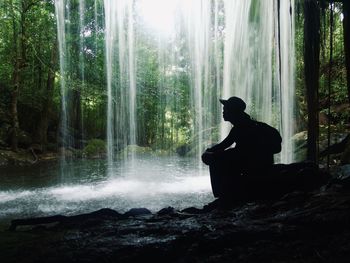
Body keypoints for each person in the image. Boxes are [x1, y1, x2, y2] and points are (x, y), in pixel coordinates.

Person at [202, 96, 282, 200]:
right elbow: (225, 145)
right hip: (260, 162)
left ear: (233, 111)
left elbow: (228, 147)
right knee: (219, 156)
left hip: (253, 164)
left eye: (225, 109)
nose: (223, 112)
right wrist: (210, 151)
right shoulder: (247, 124)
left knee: (214, 159)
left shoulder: (242, 127)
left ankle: (222, 194)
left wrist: (208, 153)